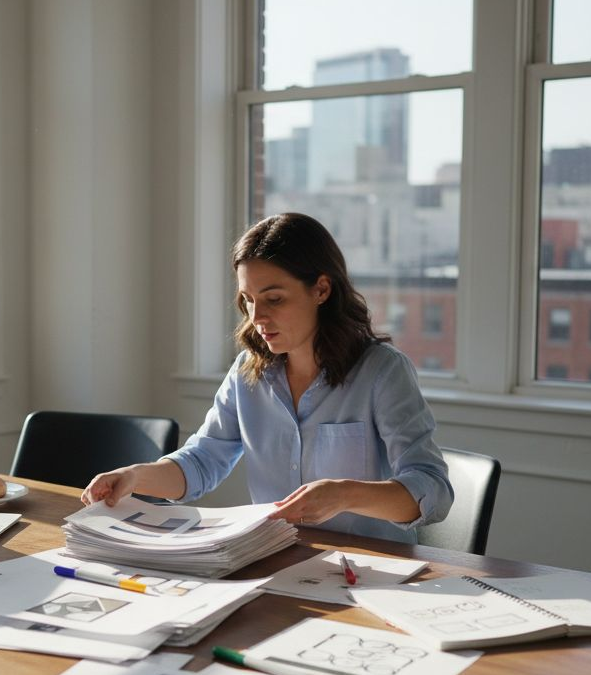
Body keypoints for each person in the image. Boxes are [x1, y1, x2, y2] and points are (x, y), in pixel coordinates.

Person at [82, 212, 452, 541]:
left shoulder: (382, 371)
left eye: (274, 299)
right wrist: (134, 477)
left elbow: (434, 491)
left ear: (321, 289)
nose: (257, 317)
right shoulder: (248, 372)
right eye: (248, 300)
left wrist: (345, 494)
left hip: (370, 572)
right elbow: (202, 461)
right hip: (278, 560)